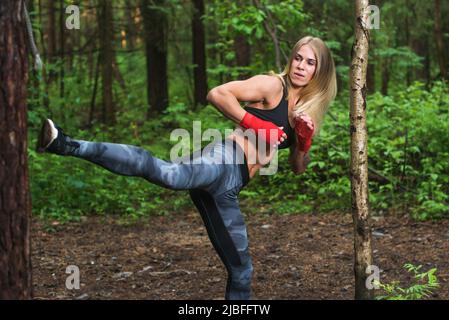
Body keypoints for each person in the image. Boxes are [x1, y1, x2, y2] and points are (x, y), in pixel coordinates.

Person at [36, 35, 337, 300]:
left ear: (319, 71)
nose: (300, 65)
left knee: (242, 270)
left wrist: (304, 141)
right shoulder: (273, 85)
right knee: (169, 173)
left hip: (229, 189)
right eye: (298, 57)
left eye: (309, 62)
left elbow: (298, 168)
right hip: (223, 160)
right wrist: (256, 124)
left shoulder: (303, 112)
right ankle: (65, 144)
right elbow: (217, 94)